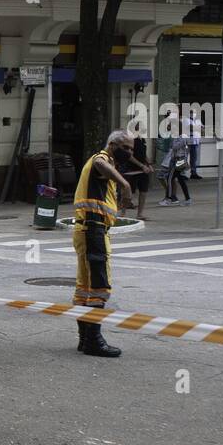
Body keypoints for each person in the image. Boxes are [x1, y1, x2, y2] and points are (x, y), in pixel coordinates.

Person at [72, 130, 135, 358]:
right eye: (125, 147)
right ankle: (93, 341)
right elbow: (100, 163)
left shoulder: (107, 163)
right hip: (93, 231)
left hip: (88, 230)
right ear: (111, 144)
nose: (128, 152)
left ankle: (85, 339)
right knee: (99, 286)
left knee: (85, 288)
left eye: (131, 149)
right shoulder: (102, 158)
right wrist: (125, 185)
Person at [116, 131, 153, 221]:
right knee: (128, 192)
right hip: (132, 169)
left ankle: (140, 214)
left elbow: (144, 154)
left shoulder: (142, 139)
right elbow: (129, 156)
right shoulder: (131, 140)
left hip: (143, 170)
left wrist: (149, 164)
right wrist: (142, 166)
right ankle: (122, 213)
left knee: (143, 191)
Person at [158, 132, 191, 206]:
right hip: (176, 160)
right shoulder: (176, 137)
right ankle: (187, 199)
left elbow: (174, 147)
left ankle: (168, 198)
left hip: (178, 160)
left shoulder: (182, 137)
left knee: (170, 179)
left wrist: (173, 143)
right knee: (180, 180)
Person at [184, 112, 204, 179]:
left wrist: (198, 128)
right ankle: (182, 173)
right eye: (191, 112)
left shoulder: (198, 120)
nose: (193, 113)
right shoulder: (186, 119)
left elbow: (203, 130)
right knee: (184, 158)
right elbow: (191, 128)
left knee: (194, 159)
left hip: (195, 142)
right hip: (187, 142)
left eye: (194, 112)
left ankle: (193, 173)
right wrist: (198, 128)